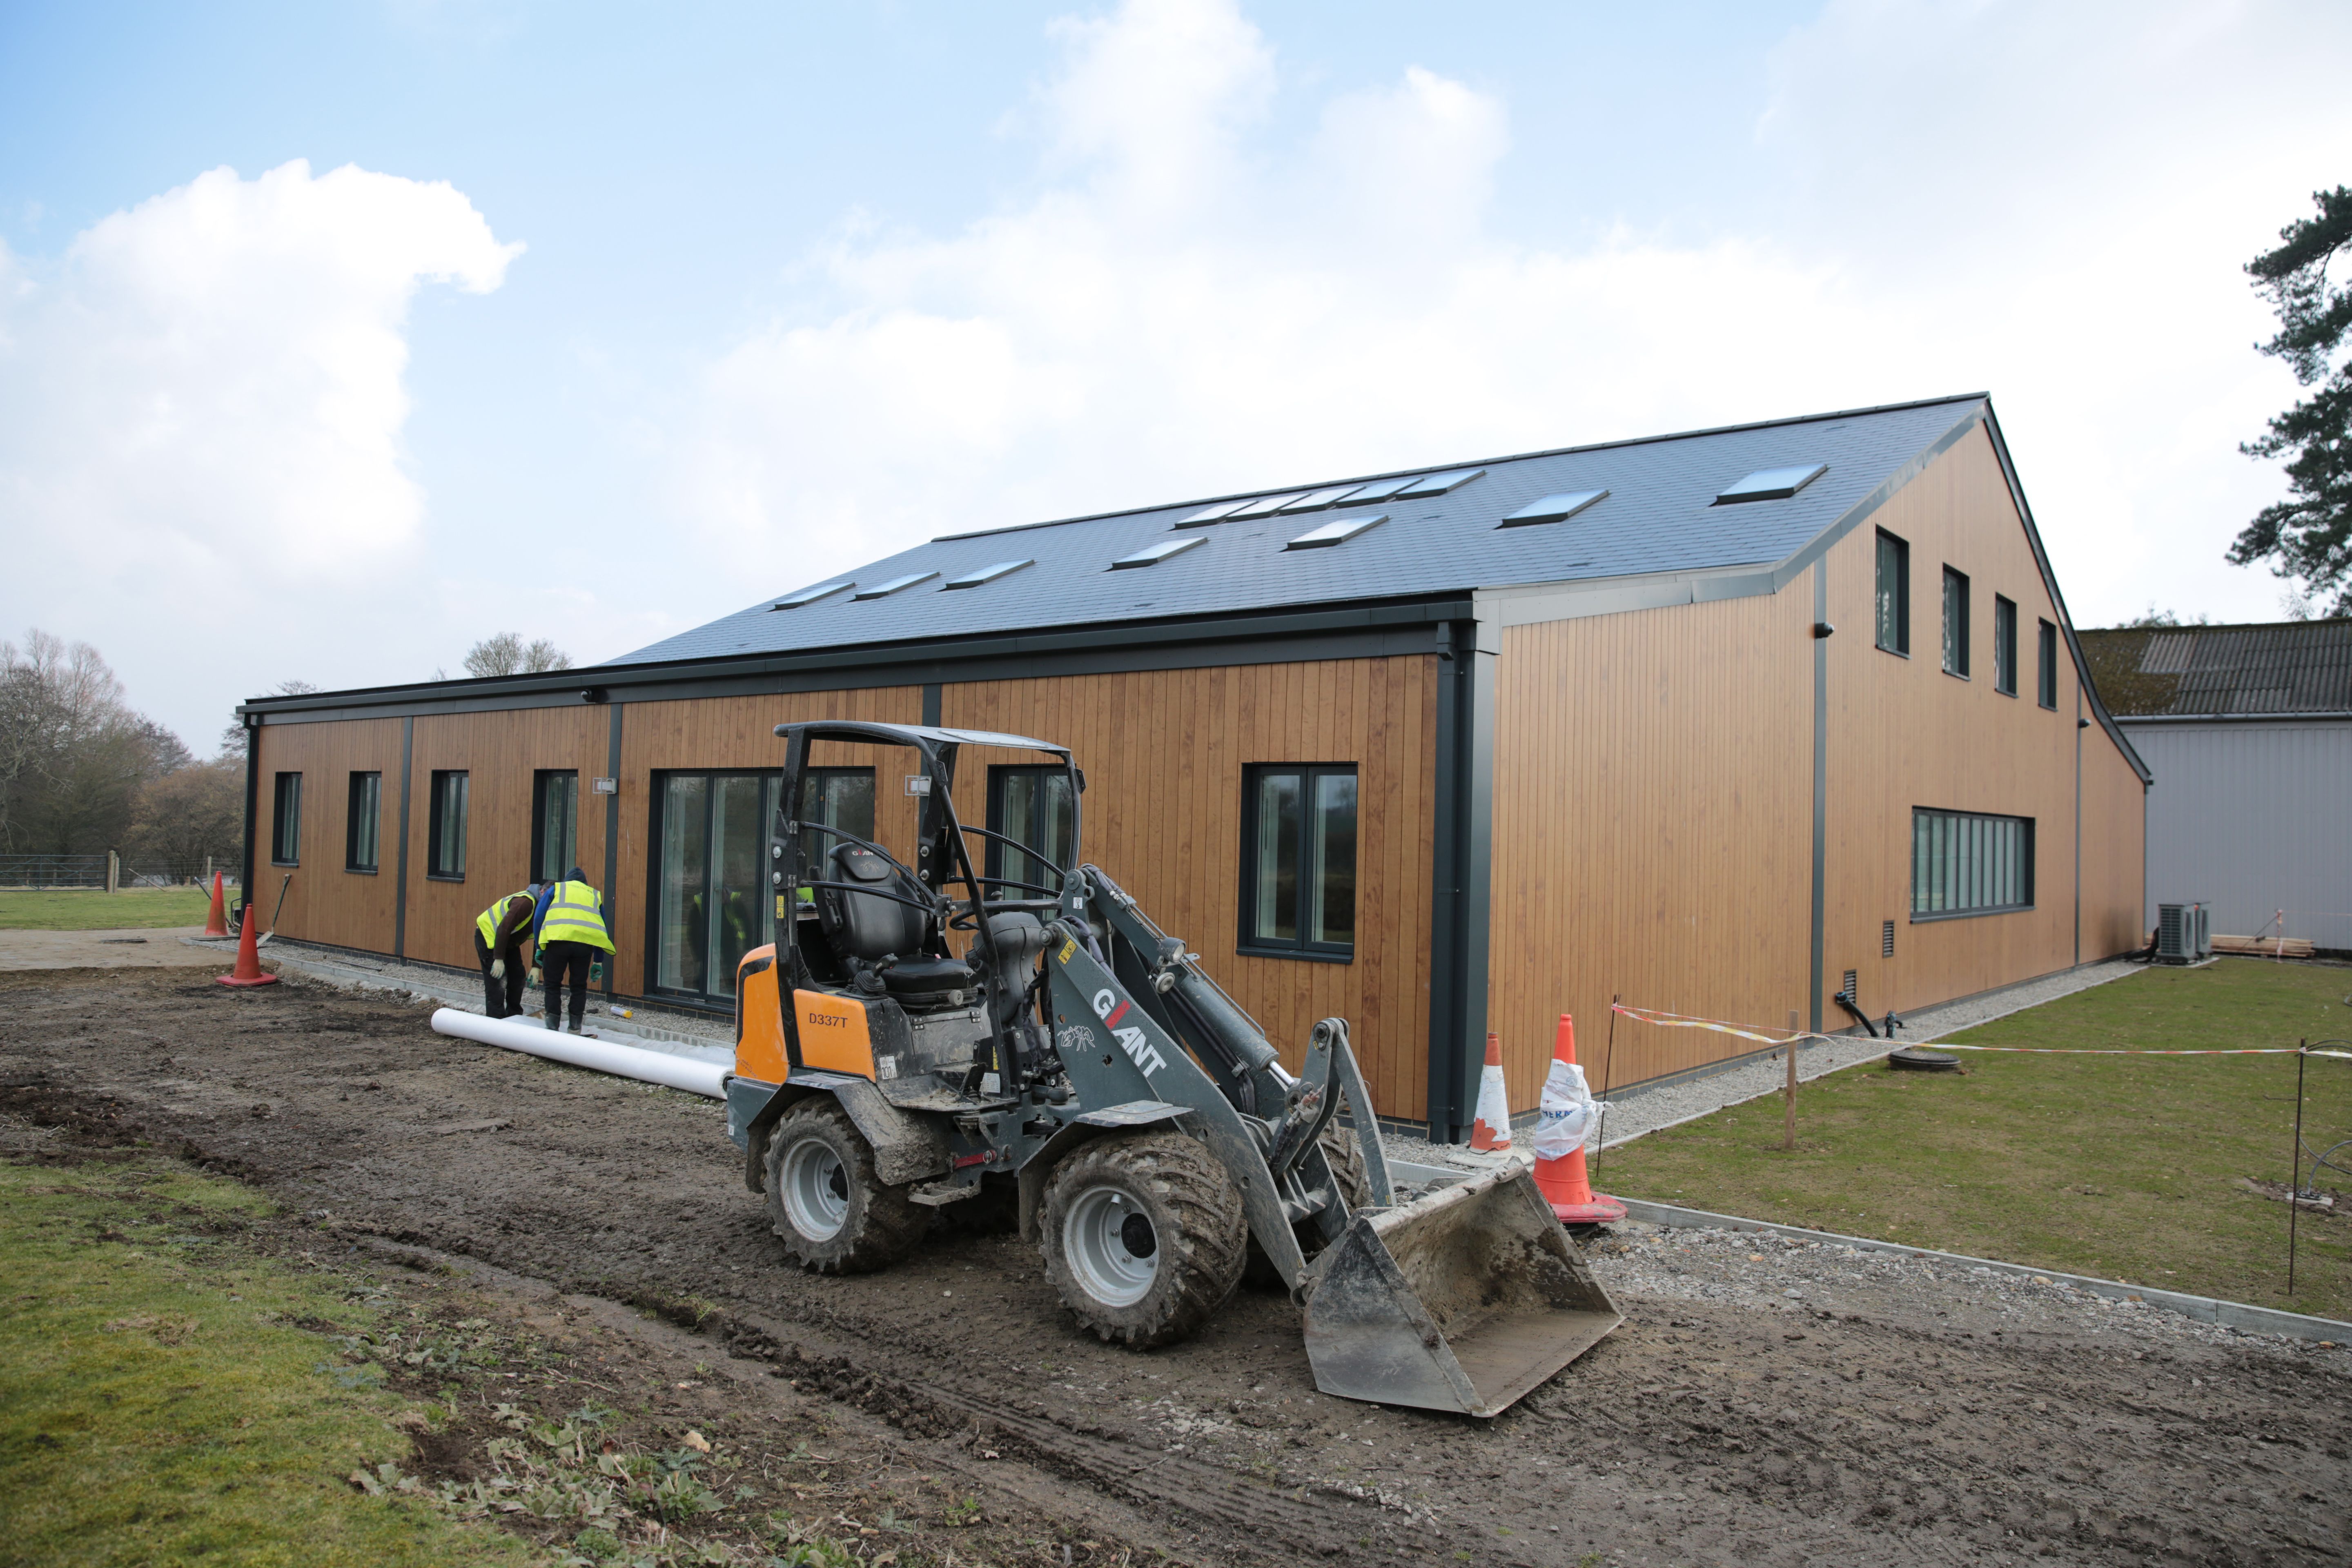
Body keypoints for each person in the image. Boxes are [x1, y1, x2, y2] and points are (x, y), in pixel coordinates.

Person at [535, 866, 614, 1033]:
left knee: (552, 984)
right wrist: (598, 961)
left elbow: (539, 916)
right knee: (579, 987)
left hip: (557, 942)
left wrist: (540, 946)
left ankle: (552, 1027)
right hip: (583, 946)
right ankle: (575, 1029)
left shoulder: (557, 889)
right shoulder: (594, 895)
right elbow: (601, 929)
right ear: (585, 883)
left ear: (567, 880)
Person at [474, 884, 543, 1019]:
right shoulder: (526, 903)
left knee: (518, 976)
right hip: (489, 938)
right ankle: (496, 1022)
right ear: (542, 891)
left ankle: (514, 1017)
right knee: (498, 980)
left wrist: (536, 967)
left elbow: (540, 938)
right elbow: (503, 928)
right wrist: (498, 959)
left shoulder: (544, 910)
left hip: (509, 942)